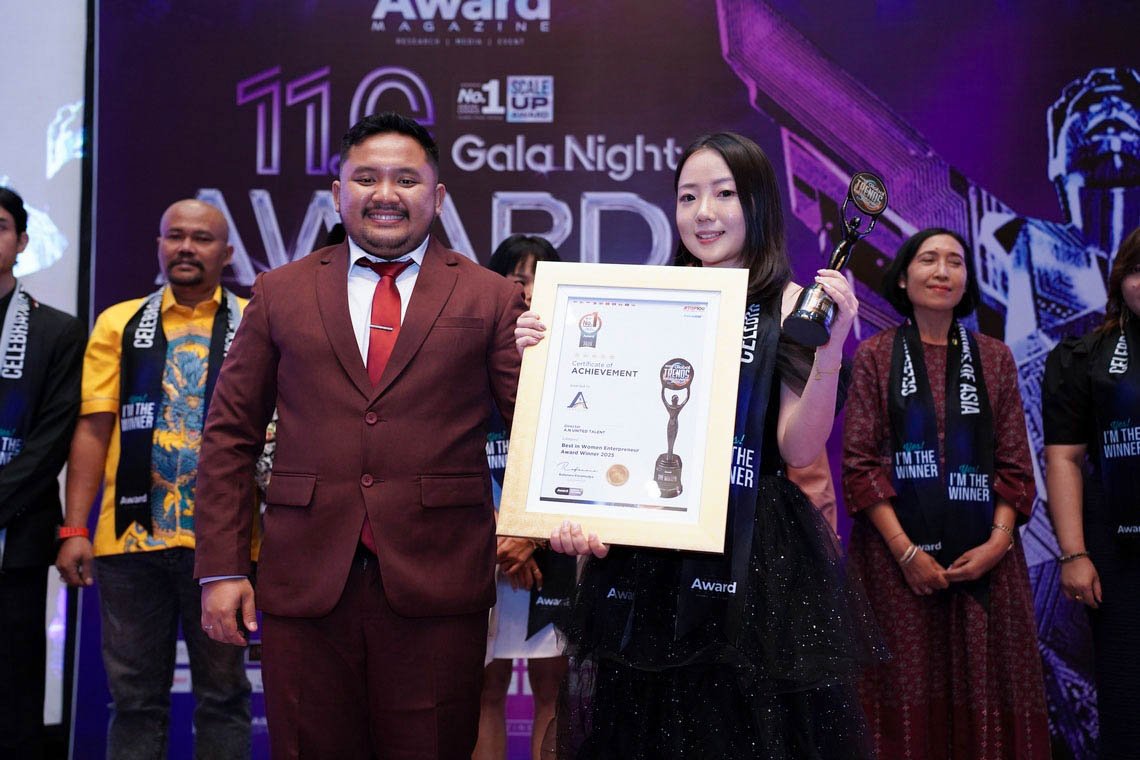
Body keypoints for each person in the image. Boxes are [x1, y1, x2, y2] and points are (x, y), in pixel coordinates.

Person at [515, 132, 881, 758]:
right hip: (649, 553)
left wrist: (830, 350)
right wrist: (546, 352)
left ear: (758, 203)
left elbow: (798, 448)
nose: (703, 213)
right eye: (688, 197)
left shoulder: (792, 305)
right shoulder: (648, 301)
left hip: (753, 549)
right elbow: (607, 428)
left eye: (724, 194)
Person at [194, 112, 527, 758]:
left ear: (438, 195)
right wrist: (223, 568)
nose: (385, 194)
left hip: (439, 584)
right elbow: (230, 435)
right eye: (366, 178)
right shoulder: (280, 292)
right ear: (337, 191)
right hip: (305, 583)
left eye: (406, 179)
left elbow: (535, 427)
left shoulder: (490, 297)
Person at [54, 199, 253, 758]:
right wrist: (74, 529)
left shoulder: (254, 322)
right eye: (175, 236)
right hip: (129, 541)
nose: (186, 247)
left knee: (224, 697)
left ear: (227, 253)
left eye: (202, 238)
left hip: (225, 546)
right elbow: (93, 429)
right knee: (135, 701)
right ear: (159, 246)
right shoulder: (118, 322)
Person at [842, 227, 1050, 759]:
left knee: (985, 699)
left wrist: (997, 545)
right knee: (902, 698)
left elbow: (1016, 467)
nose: (942, 271)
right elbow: (860, 467)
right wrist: (907, 554)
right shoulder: (874, 355)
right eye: (928, 260)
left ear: (966, 279)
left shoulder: (995, 358)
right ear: (904, 277)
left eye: (954, 262)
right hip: (893, 567)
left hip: (986, 564)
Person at [1043, 226, 1140, 759]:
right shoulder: (1084, 356)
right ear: (1120, 278)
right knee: (1126, 694)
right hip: (1118, 549)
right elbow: (1064, 459)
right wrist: (1074, 553)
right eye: (1138, 270)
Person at [477, 234, 571, 760]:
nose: (529, 291)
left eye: (540, 278)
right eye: (517, 279)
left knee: (553, 694)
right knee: (483, 692)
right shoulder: (466, 354)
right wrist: (495, 530)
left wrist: (528, 534)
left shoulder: (580, 358)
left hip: (550, 548)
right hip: (481, 544)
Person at [0, 187, 85, 759]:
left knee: (13, 694)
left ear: (23, 241)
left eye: (0, 225)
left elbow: (50, 444)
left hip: (18, 543)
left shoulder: (57, 331)